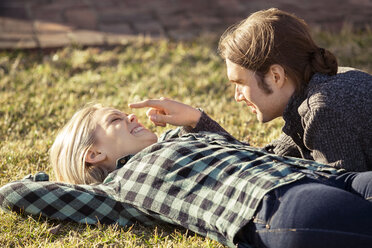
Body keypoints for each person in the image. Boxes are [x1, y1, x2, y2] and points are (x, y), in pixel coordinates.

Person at [1, 101, 372, 248]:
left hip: (326, 176)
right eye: (116, 120)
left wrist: (196, 118)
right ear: (94, 154)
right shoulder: (119, 190)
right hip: (280, 205)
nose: (131, 116)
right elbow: (15, 193)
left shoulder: (177, 138)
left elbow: (242, 149)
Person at [216, 8, 371, 171]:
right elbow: (269, 158)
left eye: (240, 83)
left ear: (276, 76)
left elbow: (342, 189)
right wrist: (197, 121)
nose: (237, 96)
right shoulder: (312, 94)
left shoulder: (323, 109)